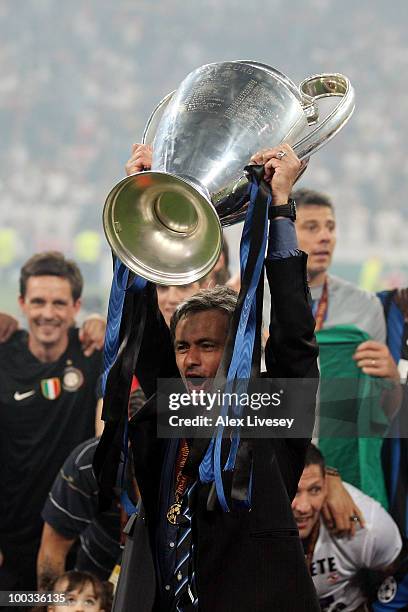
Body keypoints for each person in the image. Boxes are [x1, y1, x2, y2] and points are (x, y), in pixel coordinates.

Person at [97, 143, 321, 611]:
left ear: (236, 352)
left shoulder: (269, 421)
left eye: (207, 345)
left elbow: (294, 342)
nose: (191, 360)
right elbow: (140, 332)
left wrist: (279, 209)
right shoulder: (167, 416)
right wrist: (141, 196)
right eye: (183, 346)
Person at [0, 252, 104, 593]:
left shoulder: (92, 354)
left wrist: (106, 326)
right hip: (9, 538)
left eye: (59, 303)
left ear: (76, 306)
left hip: (73, 540)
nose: (48, 313)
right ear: (21, 303)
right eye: (38, 301)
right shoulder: (3, 355)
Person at [292, 188, 401, 506]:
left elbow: (380, 416)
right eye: (312, 227)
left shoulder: (365, 306)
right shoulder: (253, 303)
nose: (325, 237)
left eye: (330, 227)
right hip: (276, 470)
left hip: (343, 473)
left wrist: (392, 380)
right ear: (283, 233)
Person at [292, 444, 402, 612]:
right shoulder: (249, 520)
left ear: (325, 486)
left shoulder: (366, 525)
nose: (304, 507)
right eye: (293, 491)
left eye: (315, 490)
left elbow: (397, 571)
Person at [37, 438, 121, 591]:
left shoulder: (177, 464)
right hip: (97, 573)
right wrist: (51, 606)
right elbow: (52, 553)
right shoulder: (88, 463)